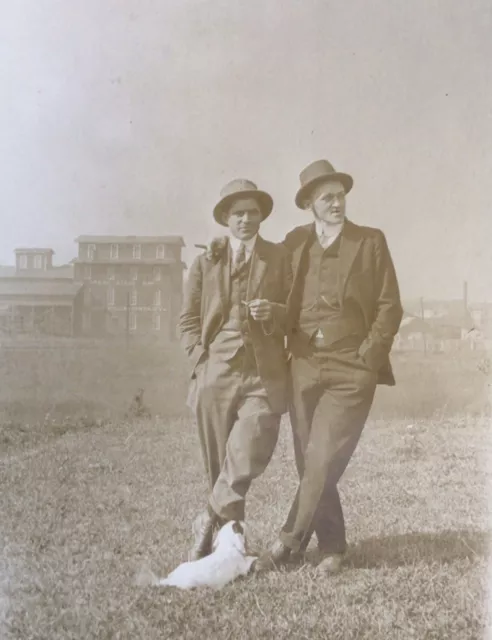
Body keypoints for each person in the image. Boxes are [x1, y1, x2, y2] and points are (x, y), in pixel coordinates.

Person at [257, 159, 403, 573]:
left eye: (340, 196)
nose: (337, 203)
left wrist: (367, 359)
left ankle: (288, 543)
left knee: (322, 457)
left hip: (350, 367)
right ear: (309, 204)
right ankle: (333, 548)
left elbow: (390, 306)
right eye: (327, 198)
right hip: (303, 362)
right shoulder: (295, 242)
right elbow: (262, 261)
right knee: (309, 460)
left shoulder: (370, 241)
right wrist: (220, 250)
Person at [178, 178, 291, 561]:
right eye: (238, 213)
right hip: (216, 370)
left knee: (250, 445)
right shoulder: (206, 260)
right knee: (218, 463)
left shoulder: (278, 257)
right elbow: (188, 319)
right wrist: (199, 359)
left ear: (262, 217)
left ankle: (207, 517)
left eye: (253, 212)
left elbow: (294, 313)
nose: (246, 219)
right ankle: (229, 548)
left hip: (262, 372)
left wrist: (273, 313)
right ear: (226, 217)